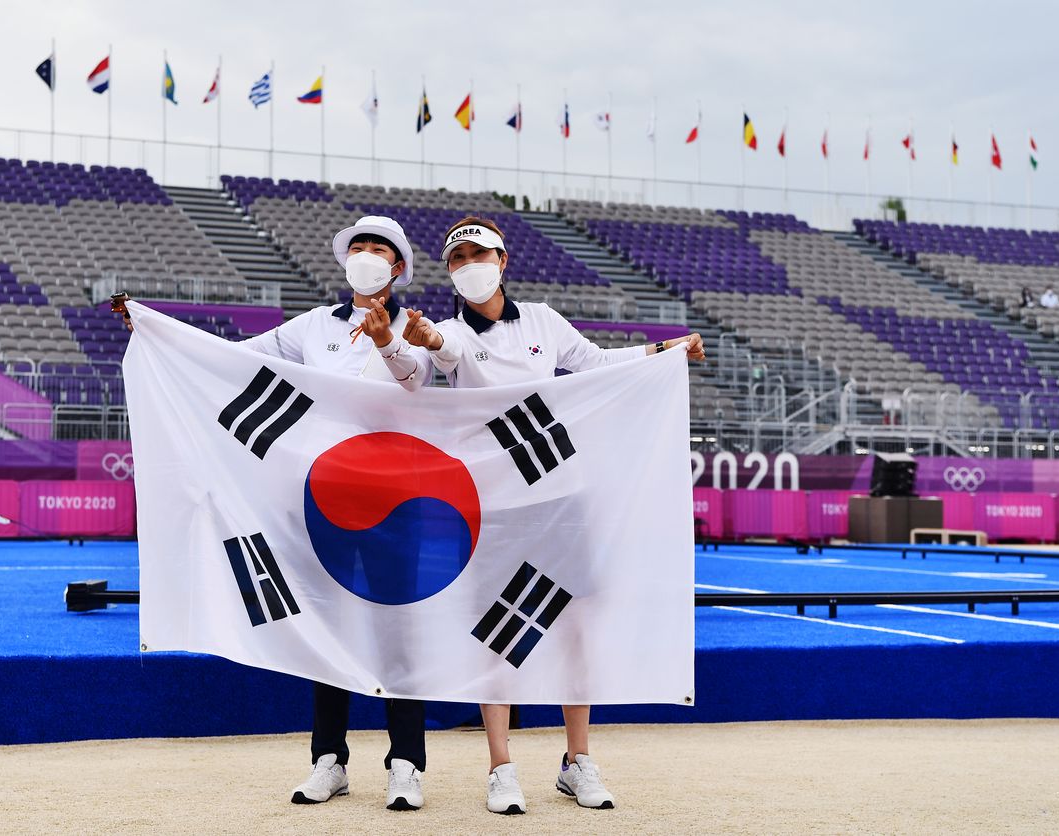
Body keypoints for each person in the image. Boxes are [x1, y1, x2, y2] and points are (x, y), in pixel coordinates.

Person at [115, 215, 434, 811]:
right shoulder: (314, 327)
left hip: (400, 498)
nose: (365, 256)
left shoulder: (420, 328)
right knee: (328, 625)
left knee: (398, 631)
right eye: (357, 247)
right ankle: (329, 759)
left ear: (397, 268)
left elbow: (416, 381)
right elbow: (230, 359)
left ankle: (407, 763)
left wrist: (389, 337)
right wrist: (157, 330)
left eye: (378, 250)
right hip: (324, 498)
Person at [401, 216, 705, 815]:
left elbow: (596, 362)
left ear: (503, 258)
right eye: (457, 260)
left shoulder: (542, 320)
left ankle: (577, 761)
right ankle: (500, 766)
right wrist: (428, 340)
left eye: (477, 253)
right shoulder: (451, 333)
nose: (468, 266)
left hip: (560, 496)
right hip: (494, 506)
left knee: (575, 629)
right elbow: (444, 348)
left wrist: (665, 351)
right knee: (496, 635)